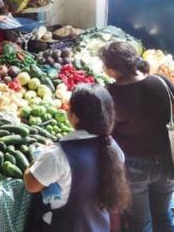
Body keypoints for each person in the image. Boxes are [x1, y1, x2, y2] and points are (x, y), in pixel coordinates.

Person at [99, 41, 174, 232]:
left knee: (140, 224)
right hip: (168, 161)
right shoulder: (160, 82)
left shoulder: (111, 94)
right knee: (163, 217)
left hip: (134, 167)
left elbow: (105, 131)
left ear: (113, 70)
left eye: (104, 65)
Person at [24, 84, 130, 232]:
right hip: (98, 226)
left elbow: (31, 184)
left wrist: (40, 156)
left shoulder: (58, 155)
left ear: (74, 116)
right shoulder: (113, 148)